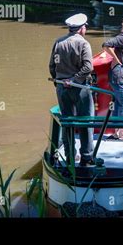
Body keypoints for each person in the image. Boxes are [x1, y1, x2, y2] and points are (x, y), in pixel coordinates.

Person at [49, 13, 94, 166]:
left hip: (62, 88)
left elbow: (52, 67)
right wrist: (74, 80)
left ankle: (69, 156)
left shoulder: (58, 43)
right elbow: (88, 67)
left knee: (68, 122)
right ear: (81, 29)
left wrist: (60, 83)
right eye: (85, 26)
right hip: (80, 88)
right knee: (85, 122)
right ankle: (86, 157)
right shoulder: (83, 44)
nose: (86, 28)